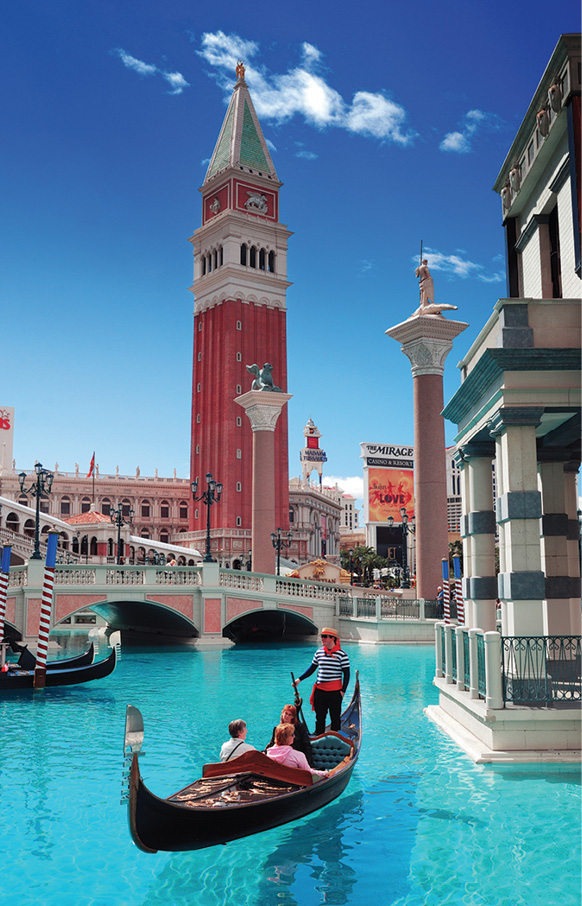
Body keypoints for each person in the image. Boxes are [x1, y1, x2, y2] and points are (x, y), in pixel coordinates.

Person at [293, 628, 350, 736]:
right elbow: (312, 668)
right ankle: (318, 734)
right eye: (322, 636)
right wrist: (299, 679)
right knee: (320, 716)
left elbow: (346, 674)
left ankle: (335, 736)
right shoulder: (319, 652)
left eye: (325, 636)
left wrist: (343, 691)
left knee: (335, 716)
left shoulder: (342, 655)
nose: (322, 638)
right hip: (320, 691)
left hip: (335, 691)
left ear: (332, 638)